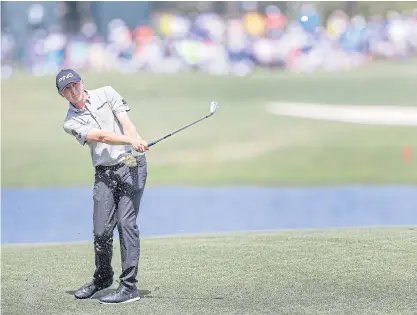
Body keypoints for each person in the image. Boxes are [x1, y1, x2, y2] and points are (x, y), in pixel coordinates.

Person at [56, 69, 148, 304]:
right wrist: (131, 140)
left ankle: (129, 287)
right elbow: (102, 137)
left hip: (131, 164)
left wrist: (134, 141)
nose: (73, 90)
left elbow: (126, 121)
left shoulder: (107, 93)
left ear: (81, 82)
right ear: (62, 94)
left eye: (75, 84)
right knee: (101, 231)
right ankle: (103, 277)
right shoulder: (71, 122)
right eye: (67, 89)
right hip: (105, 173)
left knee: (126, 223)